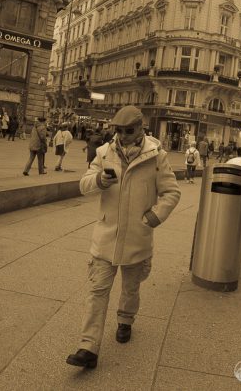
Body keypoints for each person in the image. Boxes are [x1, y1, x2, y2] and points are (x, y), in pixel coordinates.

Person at [66, 105, 180, 370]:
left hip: (138, 236)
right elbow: (84, 185)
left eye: (129, 131)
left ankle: (126, 319)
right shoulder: (104, 153)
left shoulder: (156, 157)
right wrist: (99, 181)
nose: (124, 136)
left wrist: (155, 216)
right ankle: (88, 347)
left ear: (141, 128)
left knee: (130, 288)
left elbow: (172, 192)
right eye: (119, 130)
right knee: (97, 291)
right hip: (106, 236)